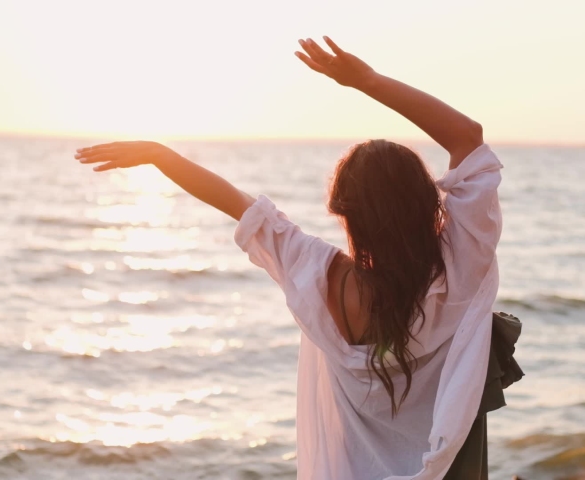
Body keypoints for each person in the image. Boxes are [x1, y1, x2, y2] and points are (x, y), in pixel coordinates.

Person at [75, 36, 503, 480]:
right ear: (423, 201)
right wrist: (367, 81)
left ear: (345, 214)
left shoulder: (318, 279)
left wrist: (159, 155)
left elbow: (241, 206)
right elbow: (467, 138)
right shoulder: (459, 266)